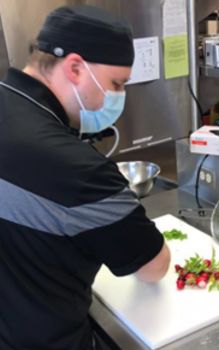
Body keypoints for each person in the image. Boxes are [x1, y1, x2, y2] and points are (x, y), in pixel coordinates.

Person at [0, 4, 171, 350]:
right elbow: (154, 265)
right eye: (117, 83)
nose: (119, 97)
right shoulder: (78, 169)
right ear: (75, 67)